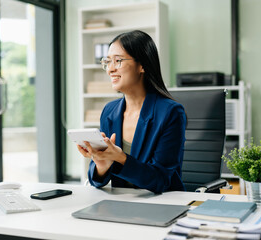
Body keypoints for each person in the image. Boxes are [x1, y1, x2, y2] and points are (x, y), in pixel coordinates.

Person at [77, 30, 186, 194]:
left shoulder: (171, 113)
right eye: (107, 62)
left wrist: (120, 158)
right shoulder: (109, 111)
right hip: (121, 203)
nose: (110, 69)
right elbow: (97, 181)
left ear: (142, 65)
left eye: (118, 61)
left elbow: (161, 180)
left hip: (162, 204)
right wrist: (102, 165)